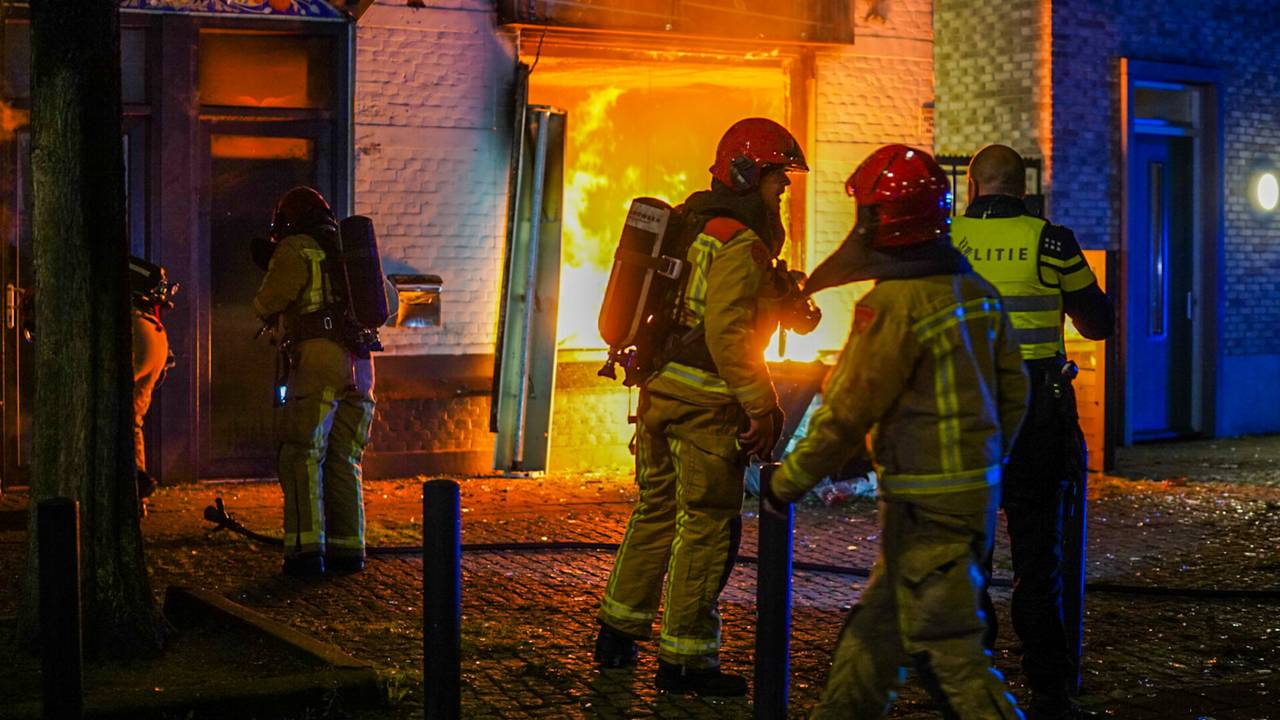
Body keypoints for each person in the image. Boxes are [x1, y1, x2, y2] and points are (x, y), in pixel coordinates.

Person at [763, 144, 1028, 719]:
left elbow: (847, 410)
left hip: (924, 508)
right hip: (965, 500)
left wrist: (786, 481)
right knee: (874, 636)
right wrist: (984, 462)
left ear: (888, 218)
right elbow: (1015, 391)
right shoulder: (978, 293)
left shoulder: (893, 305)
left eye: (869, 212)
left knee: (953, 657)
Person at [593, 117, 809, 696]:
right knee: (709, 525)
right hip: (706, 402)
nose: (783, 189)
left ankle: (617, 631)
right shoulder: (741, 242)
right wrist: (762, 405)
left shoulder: (693, 224)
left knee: (657, 511)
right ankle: (686, 660)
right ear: (747, 172)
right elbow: (729, 335)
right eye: (776, 178)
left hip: (660, 390)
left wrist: (783, 296)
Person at [953, 144, 1113, 719]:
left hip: (964, 413)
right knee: (1039, 558)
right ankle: (1048, 690)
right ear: (1023, 189)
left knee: (968, 553)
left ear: (972, 186)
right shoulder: (1051, 241)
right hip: (1034, 414)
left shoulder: (946, 242)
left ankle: (972, 680)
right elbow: (1097, 324)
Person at [254, 186, 374, 577]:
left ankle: (306, 553)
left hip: (321, 360)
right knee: (345, 457)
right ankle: (348, 550)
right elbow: (383, 296)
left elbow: (267, 302)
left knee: (302, 453)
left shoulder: (297, 248)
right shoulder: (349, 249)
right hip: (362, 364)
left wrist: (272, 263)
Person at [129, 256, 178, 500]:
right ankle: (136, 497)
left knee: (122, 418)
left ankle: (133, 486)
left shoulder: (134, 322)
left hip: (140, 332)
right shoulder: (150, 322)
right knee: (132, 419)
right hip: (154, 337)